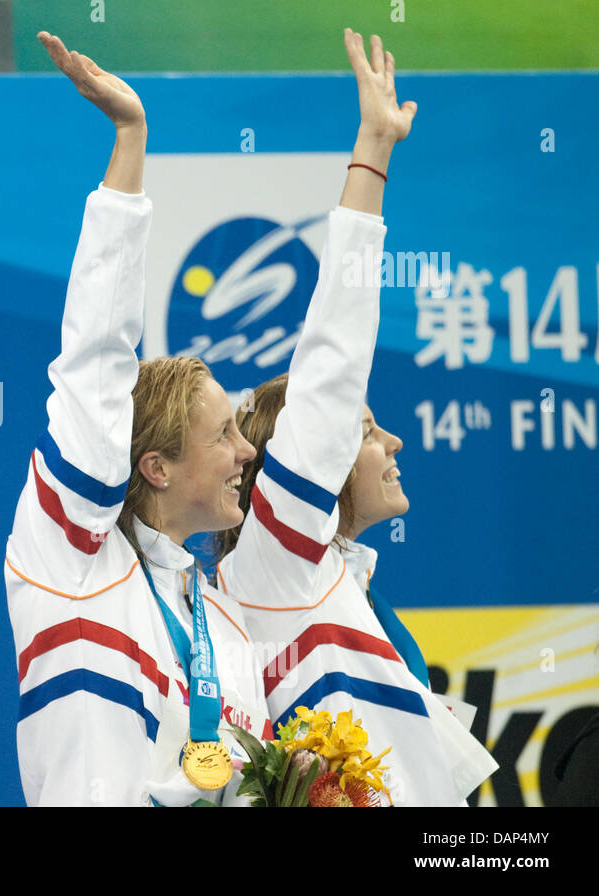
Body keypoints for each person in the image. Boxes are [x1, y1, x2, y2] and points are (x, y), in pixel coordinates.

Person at [212, 30, 497, 805]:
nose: (389, 440)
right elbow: (332, 363)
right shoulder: (279, 560)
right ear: (314, 457)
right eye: (364, 430)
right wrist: (372, 154)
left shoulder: (341, 584)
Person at [4, 32, 271, 807]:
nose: (246, 452)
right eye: (221, 434)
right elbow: (95, 362)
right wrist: (130, 144)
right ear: (153, 466)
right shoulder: (71, 559)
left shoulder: (219, 618)